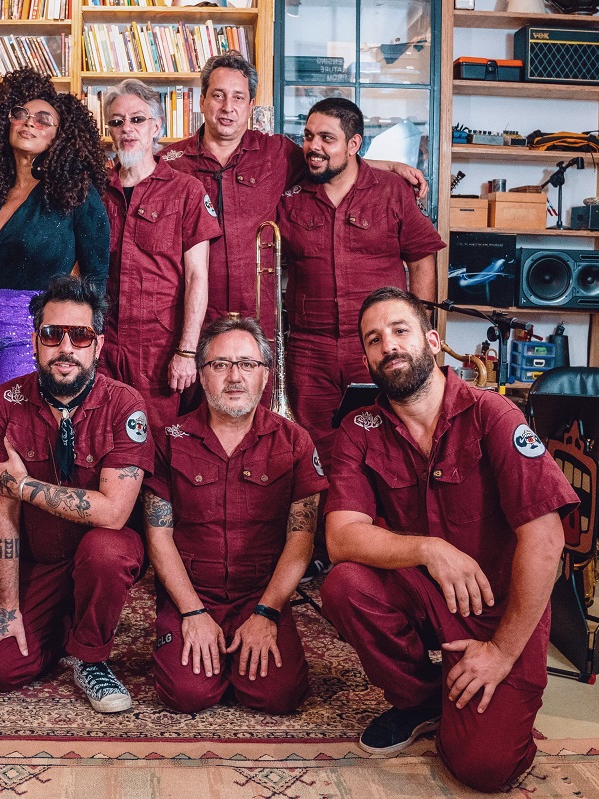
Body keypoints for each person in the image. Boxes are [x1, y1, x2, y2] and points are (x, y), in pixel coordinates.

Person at [321, 287, 577, 792]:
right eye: (374, 339)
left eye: (400, 331)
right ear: (367, 359)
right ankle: (421, 701)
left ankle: (477, 697)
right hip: (425, 593)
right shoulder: (359, 428)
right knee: (345, 586)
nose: (388, 346)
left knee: (484, 768)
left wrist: (501, 650)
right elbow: (341, 538)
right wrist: (429, 549)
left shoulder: (493, 415)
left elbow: (546, 538)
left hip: (500, 609)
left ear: (433, 341)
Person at [0, 68, 111, 615]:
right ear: (2, 122)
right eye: (19, 114)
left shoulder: (77, 194)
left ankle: (19, 588)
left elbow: (96, 279)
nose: (29, 123)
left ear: (61, 132)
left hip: (30, 330)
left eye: (43, 118)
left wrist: (73, 340)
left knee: (12, 451)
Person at [0, 276, 149, 714]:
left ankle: (91, 658)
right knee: (0, 668)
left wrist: (23, 486)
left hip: (103, 553)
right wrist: (8, 607)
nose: (65, 348)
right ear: (35, 342)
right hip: (42, 560)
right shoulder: (2, 403)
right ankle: (63, 629)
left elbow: (113, 513)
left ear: (98, 345)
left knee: (105, 551)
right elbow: (4, 516)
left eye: (80, 336)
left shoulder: (125, 405)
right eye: (52, 334)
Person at [160, 53, 427, 341]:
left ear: (251, 106)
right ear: (202, 101)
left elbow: (328, 158)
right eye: (218, 95)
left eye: (238, 97)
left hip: (256, 320)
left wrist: (390, 166)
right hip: (188, 318)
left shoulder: (276, 153)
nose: (228, 107)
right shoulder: (170, 162)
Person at [143, 316, 325, 714]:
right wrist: (192, 611)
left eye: (247, 364)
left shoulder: (295, 442)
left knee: (277, 696)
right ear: (201, 375)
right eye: (220, 365)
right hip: (193, 591)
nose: (235, 377)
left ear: (265, 375)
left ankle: (235, 658)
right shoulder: (169, 441)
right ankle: (205, 652)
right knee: (187, 695)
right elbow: (159, 536)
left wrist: (267, 612)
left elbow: (301, 539)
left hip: (260, 593)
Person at [278, 97, 446, 473]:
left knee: (387, 443)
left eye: (326, 138)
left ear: (354, 144)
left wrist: (419, 332)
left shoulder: (392, 191)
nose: (313, 146)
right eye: (308, 136)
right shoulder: (290, 195)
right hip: (309, 349)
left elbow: (422, 258)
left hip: (379, 345)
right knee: (315, 451)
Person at [99, 79, 220, 427]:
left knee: (157, 442)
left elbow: (197, 278)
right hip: (102, 344)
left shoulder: (187, 191)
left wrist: (186, 351)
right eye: (117, 121)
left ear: (157, 127)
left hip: (159, 349)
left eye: (137, 119)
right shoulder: (96, 191)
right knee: (101, 435)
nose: (127, 129)